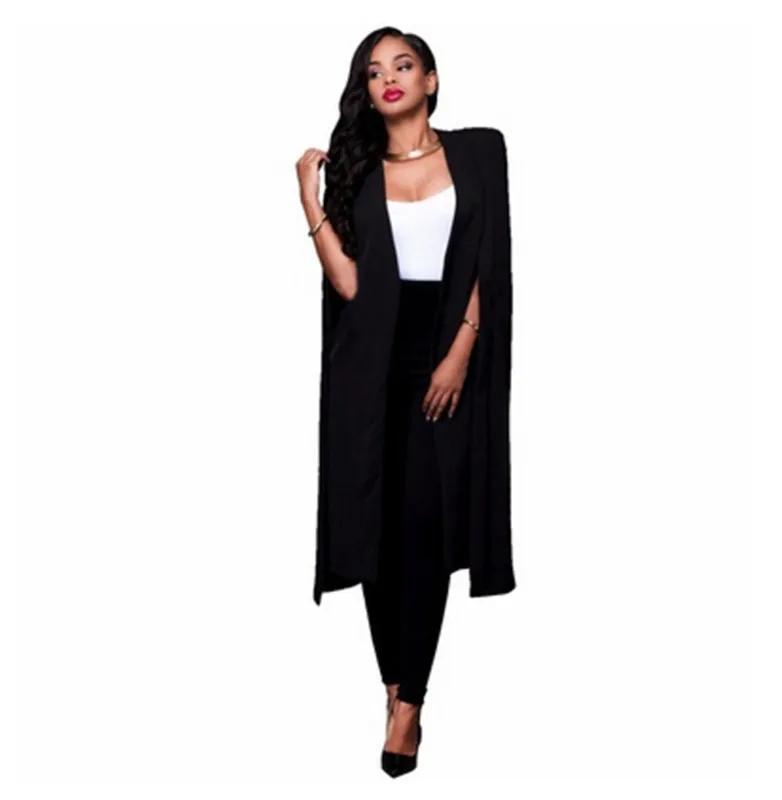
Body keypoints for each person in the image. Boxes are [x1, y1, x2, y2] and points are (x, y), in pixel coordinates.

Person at [295, 26, 516, 778]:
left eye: (403, 64)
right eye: (373, 71)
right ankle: (396, 684)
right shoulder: (358, 172)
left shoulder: (479, 153)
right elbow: (350, 285)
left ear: (430, 79)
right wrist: (309, 200)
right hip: (371, 360)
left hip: (446, 346)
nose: (388, 77)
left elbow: (488, 259)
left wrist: (459, 350)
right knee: (376, 528)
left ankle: (409, 704)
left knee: (426, 524)